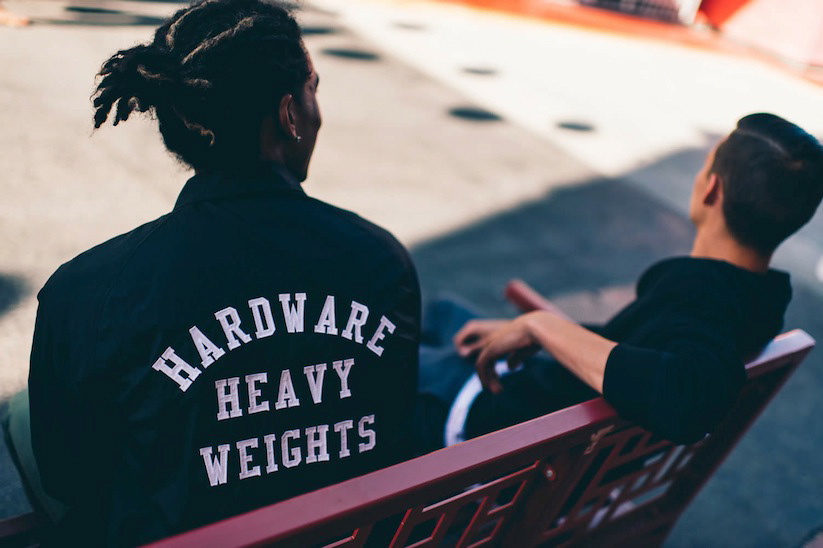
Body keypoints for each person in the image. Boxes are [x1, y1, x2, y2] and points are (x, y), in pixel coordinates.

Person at [25, 0, 420, 543]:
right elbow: (392, 435)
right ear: (288, 114)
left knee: (25, 415)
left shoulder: (85, 292)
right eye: (313, 89)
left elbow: (68, 477)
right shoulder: (380, 261)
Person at [416, 113, 823, 453]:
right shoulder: (757, 302)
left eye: (705, 165)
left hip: (501, 424)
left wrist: (541, 325)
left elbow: (687, 399)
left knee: (396, 341)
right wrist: (541, 334)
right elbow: (641, 344)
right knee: (444, 312)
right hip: (562, 430)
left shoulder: (697, 303)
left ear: (711, 188)